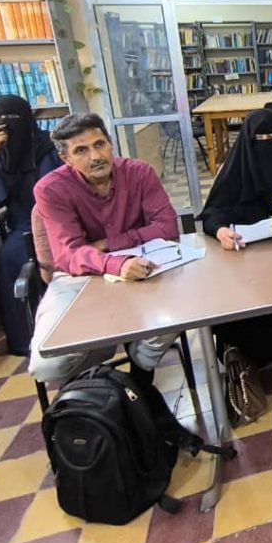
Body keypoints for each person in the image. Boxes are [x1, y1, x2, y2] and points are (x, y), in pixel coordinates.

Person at [29, 113, 182, 386]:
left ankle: (138, 378)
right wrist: (115, 264)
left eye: (99, 144)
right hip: (79, 276)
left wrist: (110, 243)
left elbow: (168, 227)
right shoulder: (50, 189)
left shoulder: (139, 173)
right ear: (66, 158)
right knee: (46, 365)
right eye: (81, 150)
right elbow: (69, 254)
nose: (95, 156)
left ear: (111, 143)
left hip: (143, 265)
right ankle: (103, 370)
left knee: (182, 311)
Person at [198, 108, 272, 365]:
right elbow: (212, 214)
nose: (266, 145)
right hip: (244, 257)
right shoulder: (236, 166)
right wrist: (221, 232)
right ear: (247, 140)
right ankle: (238, 353)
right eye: (259, 139)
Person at [0, 95, 60, 355]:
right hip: (21, 228)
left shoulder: (50, 146)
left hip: (57, 223)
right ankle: (26, 341)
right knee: (9, 263)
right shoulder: (1, 153)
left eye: (14, 118)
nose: (8, 124)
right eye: (0, 119)